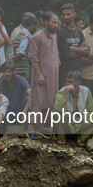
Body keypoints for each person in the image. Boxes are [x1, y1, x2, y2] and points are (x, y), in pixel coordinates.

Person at [27, 11, 60, 139]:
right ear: (46, 22)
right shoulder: (37, 37)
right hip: (42, 75)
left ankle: (41, 128)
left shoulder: (54, 36)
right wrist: (39, 74)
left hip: (53, 75)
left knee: (49, 101)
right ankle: (31, 129)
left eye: (58, 22)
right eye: (54, 22)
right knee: (37, 101)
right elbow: (33, 58)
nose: (56, 25)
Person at [53, 70, 93, 146]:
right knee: (60, 115)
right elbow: (57, 109)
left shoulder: (86, 91)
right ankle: (61, 137)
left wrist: (80, 118)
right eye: (67, 81)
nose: (68, 84)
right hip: (66, 123)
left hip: (80, 122)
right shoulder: (62, 91)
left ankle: (81, 137)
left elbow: (92, 110)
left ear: (79, 83)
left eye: (71, 82)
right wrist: (66, 92)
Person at [57, 3, 89, 88]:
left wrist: (74, 49)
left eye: (68, 14)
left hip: (78, 71)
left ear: (74, 14)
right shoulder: (60, 32)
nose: (65, 17)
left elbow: (87, 51)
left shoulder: (78, 31)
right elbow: (67, 54)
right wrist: (80, 50)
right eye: (63, 15)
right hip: (65, 73)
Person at [0, 60, 30, 124]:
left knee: (27, 99)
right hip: (8, 112)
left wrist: (24, 111)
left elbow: (32, 94)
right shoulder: (2, 82)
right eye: (5, 72)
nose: (6, 74)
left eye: (9, 72)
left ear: (14, 71)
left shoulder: (20, 79)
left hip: (20, 110)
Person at [9, 15, 39, 79]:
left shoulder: (18, 35)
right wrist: (12, 63)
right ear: (31, 25)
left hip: (17, 68)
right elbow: (21, 53)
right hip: (23, 69)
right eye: (36, 26)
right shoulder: (26, 37)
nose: (36, 28)